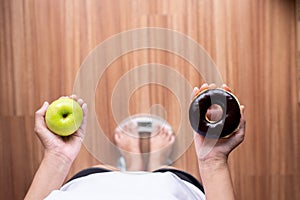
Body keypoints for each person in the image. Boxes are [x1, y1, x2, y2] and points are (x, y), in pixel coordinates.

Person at [25, 83, 246, 200]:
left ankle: (135, 163)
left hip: (94, 184)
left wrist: (57, 156)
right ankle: (153, 162)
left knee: (110, 176)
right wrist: (213, 162)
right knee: (162, 180)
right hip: (170, 189)